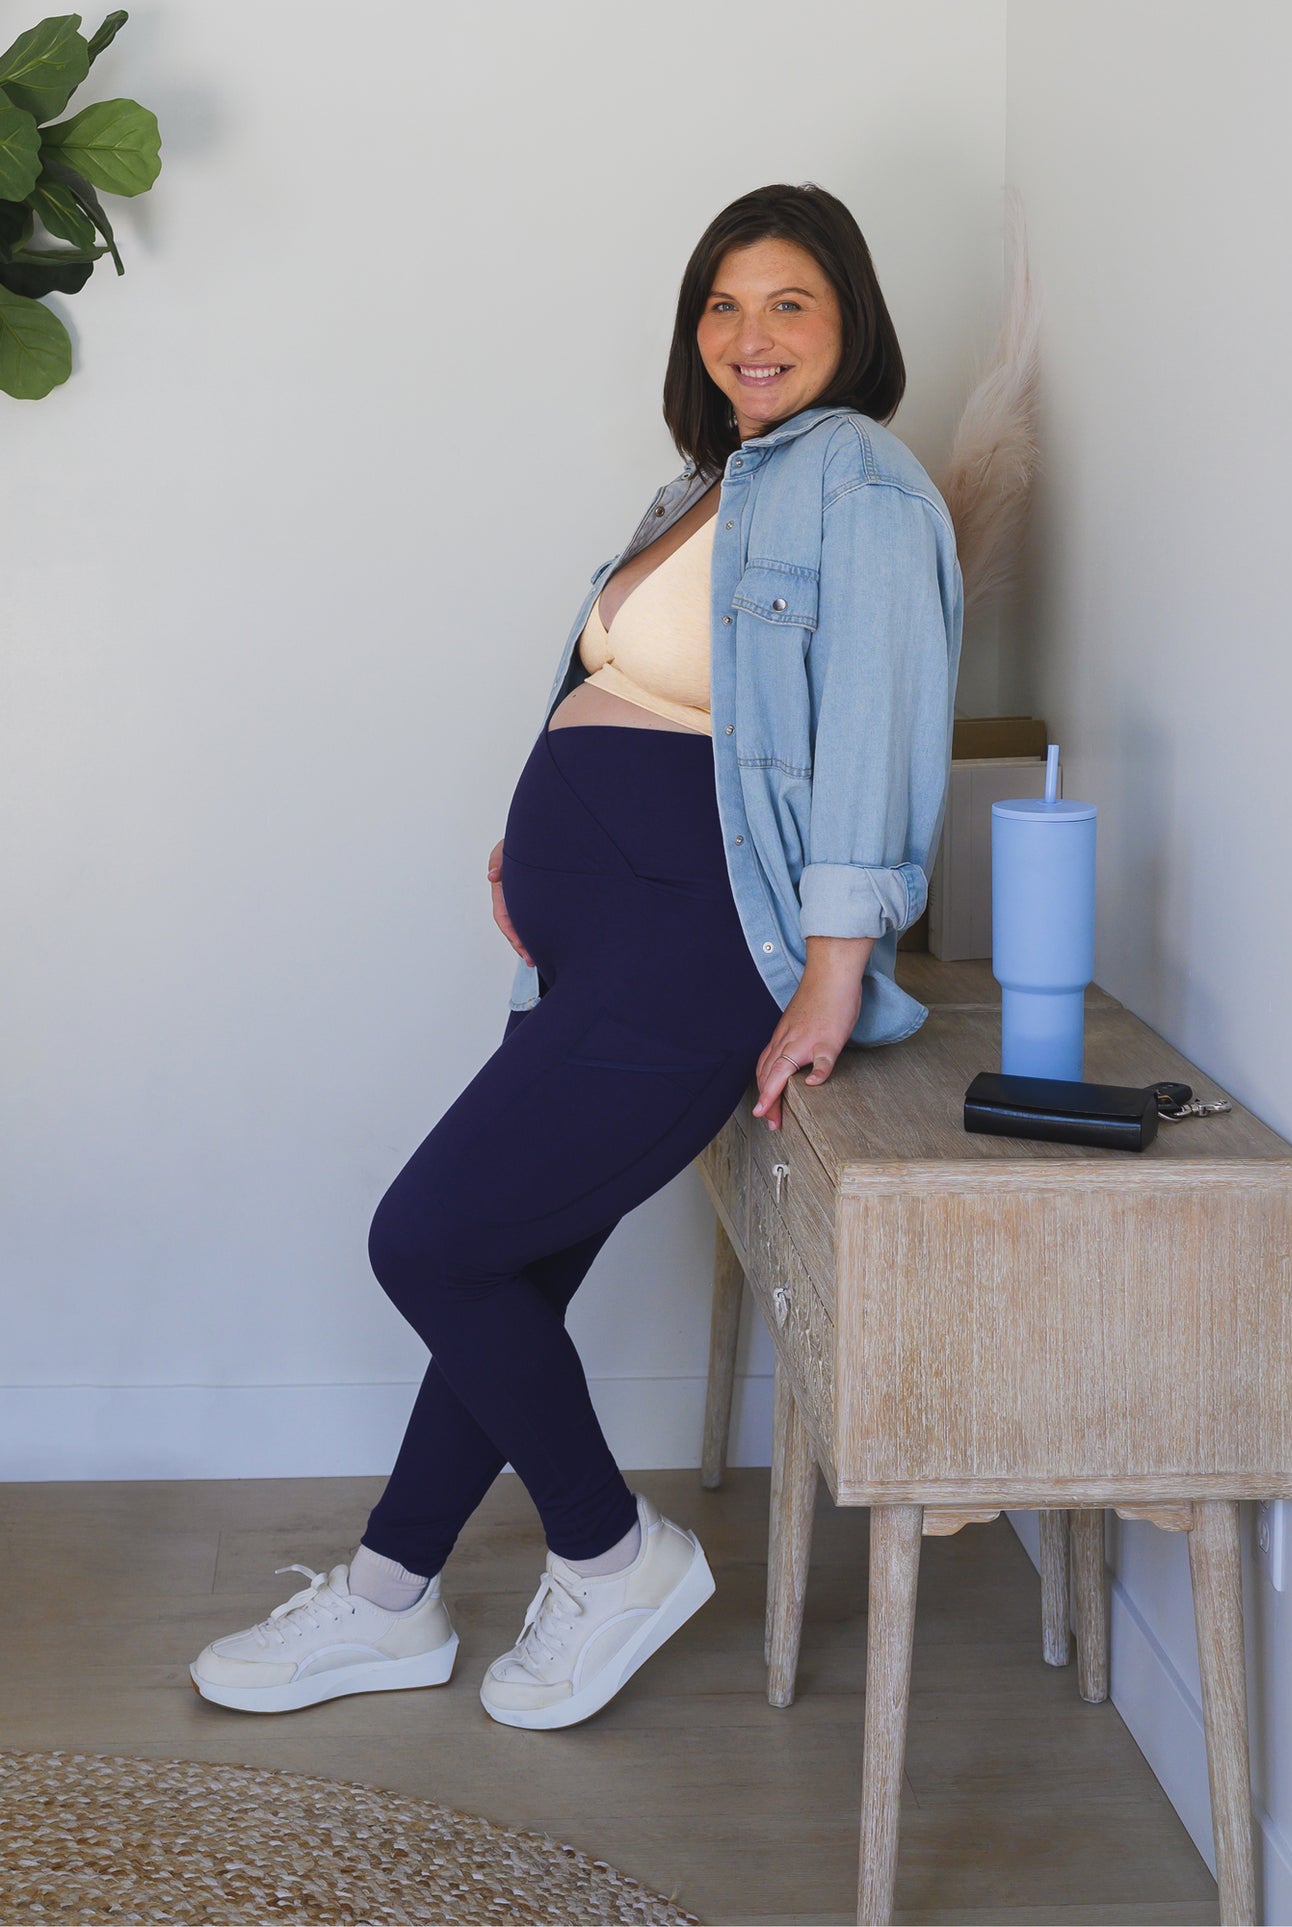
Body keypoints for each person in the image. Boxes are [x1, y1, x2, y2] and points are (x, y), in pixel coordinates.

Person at [190, 182, 965, 1730]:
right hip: (604, 935)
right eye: (723, 304)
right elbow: (652, 701)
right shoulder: (706, 483)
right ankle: (389, 1594)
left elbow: (875, 734)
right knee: (508, 1261)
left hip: (698, 947)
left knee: (428, 1241)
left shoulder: (862, 485)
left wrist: (830, 967)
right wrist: (541, 835)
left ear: (851, 323)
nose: (751, 335)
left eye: (789, 304)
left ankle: (611, 1556)